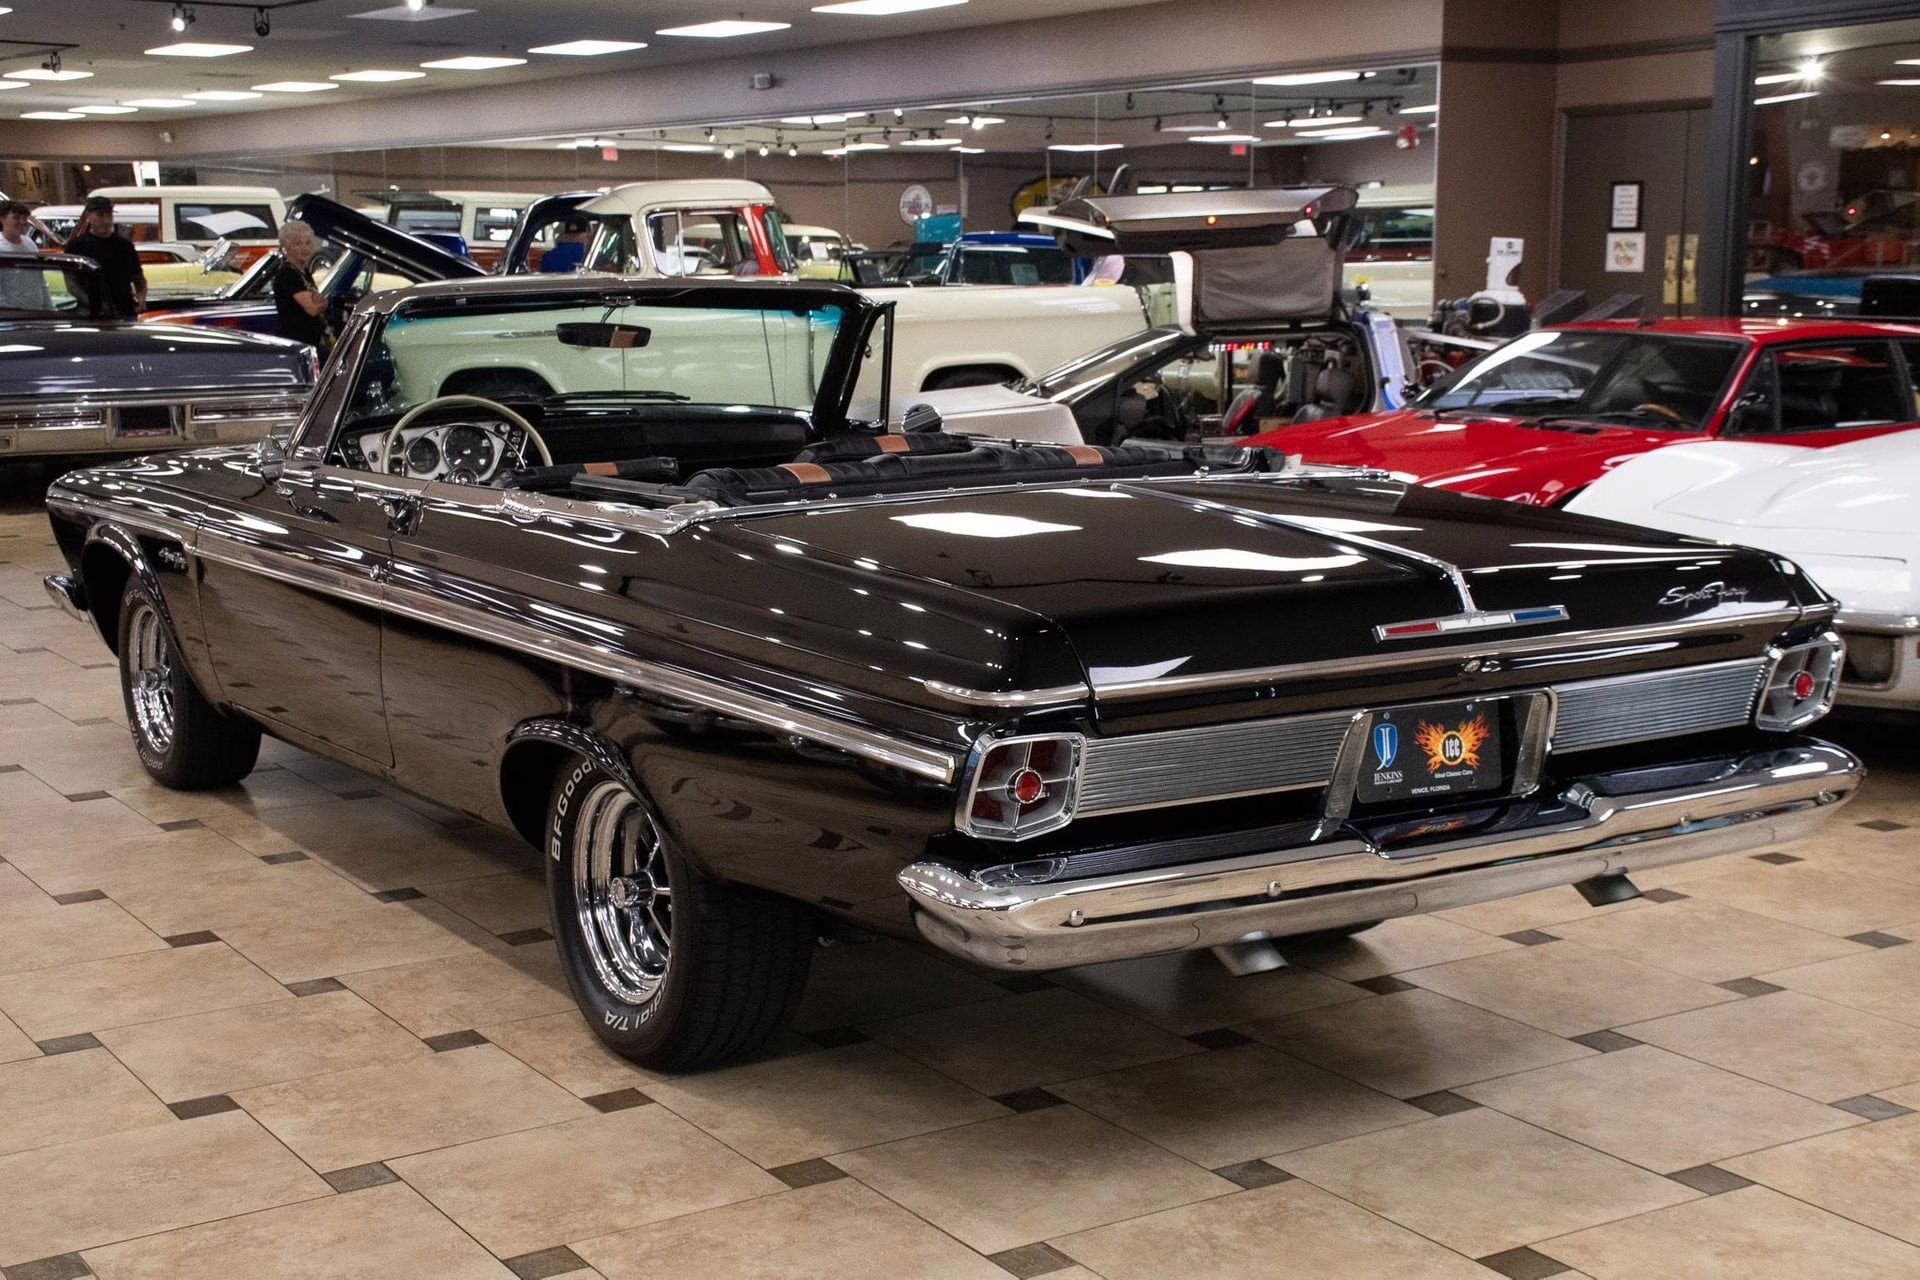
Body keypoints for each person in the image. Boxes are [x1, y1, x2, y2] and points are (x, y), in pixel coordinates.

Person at [63, 194, 146, 320]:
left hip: (124, 311)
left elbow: (138, 278)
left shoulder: (125, 246)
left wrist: (141, 298)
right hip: (90, 314)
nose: (106, 221)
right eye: (100, 216)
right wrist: (96, 304)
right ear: (88, 216)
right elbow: (72, 284)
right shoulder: (76, 246)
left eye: (109, 216)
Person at [271, 220, 331, 349]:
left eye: (308, 243)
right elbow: (313, 309)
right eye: (298, 244)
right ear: (287, 247)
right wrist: (321, 303)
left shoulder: (304, 272)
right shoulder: (288, 274)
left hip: (310, 341)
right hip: (296, 344)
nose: (305, 248)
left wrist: (320, 302)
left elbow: (319, 301)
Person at [0, 201, 51, 311]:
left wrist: (49, 308)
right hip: (13, 315)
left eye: (24, 218)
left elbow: (40, 280)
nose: (22, 222)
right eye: (16, 218)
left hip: (38, 311)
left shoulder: (29, 243)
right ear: (2, 219)